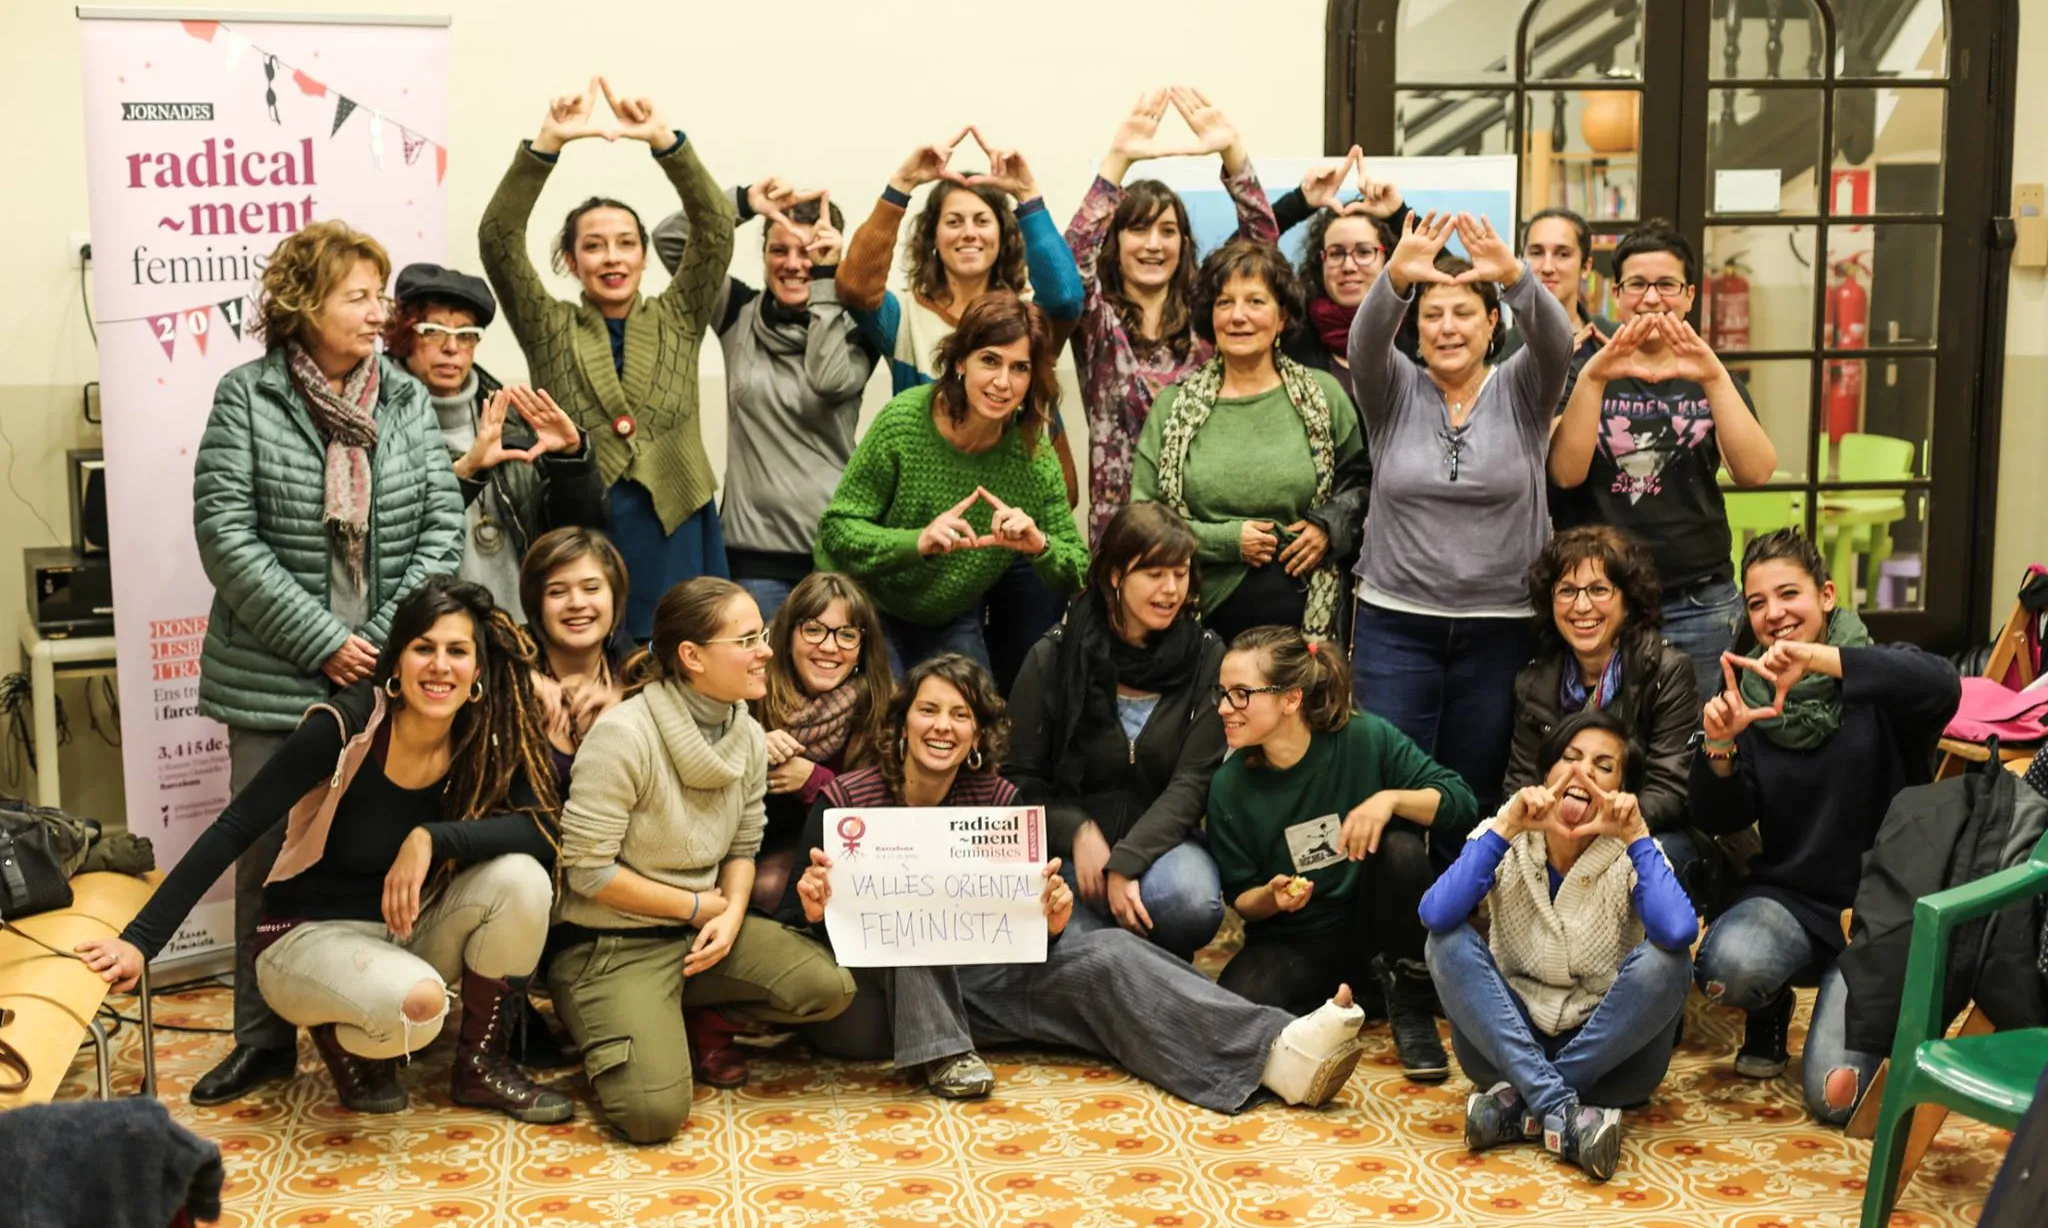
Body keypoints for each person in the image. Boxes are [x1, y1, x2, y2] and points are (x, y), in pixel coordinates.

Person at [779, 653, 1376, 1112]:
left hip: (978, 988)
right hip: (873, 1001)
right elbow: (795, 933)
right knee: (914, 911)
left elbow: (1019, 936)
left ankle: (1280, 1052)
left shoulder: (1000, 802)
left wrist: (1050, 919)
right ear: (902, 722)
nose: (943, 727)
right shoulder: (845, 803)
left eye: (961, 715)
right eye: (928, 710)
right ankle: (944, 1055)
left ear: (978, 736)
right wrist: (814, 909)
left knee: (1108, 954)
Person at [79, 579, 568, 1124]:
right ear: (396, 661)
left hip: (406, 929)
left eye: (457, 651)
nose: (439, 666)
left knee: (523, 880)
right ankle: (341, 1035)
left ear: (477, 671)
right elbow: (235, 827)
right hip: (306, 938)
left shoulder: (485, 731)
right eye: (423, 648)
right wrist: (139, 942)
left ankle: (481, 1066)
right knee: (420, 1006)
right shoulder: (347, 724)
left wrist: (431, 837)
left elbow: (544, 829)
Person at [187, 220, 464, 1107]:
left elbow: (442, 527)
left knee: (366, 852)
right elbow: (226, 535)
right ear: (305, 303)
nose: (381, 313)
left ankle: (365, 1034)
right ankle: (261, 1042)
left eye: (382, 296)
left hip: (385, 675)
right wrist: (323, 642)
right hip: (275, 678)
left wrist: (379, 643)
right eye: (360, 296)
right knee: (264, 857)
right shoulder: (248, 397)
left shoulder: (405, 399)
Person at [547, 577, 856, 1143]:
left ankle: (675, 1014)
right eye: (747, 641)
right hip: (610, 942)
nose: (766, 652)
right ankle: (614, 1015)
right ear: (691, 656)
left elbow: (742, 848)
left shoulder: (746, 731)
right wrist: (694, 907)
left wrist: (731, 913)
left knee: (830, 987)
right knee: (653, 1117)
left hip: (699, 935)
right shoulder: (623, 735)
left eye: (763, 636)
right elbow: (588, 872)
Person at [1688, 530, 1960, 1125]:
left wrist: (1816, 660)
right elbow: (1720, 817)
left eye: (1789, 594)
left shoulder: (1875, 676)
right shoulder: (1751, 692)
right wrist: (1720, 747)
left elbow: (1943, 685)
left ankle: (1873, 1000)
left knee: (1838, 1101)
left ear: (1827, 596)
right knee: (1724, 970)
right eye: (1757, 603)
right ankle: (1771, 1004)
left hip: (1878, 914)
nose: (1773, 613)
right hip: (1793, 897)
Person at [478, 78, 737, 644]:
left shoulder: (680, 315)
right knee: (593, 667)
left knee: (684, 658)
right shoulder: (549, 326)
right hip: (585, 528)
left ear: (645, 255)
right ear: (571, 261)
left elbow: (716, 228)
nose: (612, 257)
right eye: (593, 246)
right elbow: (498, 239)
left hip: (676, 521)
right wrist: (546, 144)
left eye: (625, 243)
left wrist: (665, 142)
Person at [1346, 212, 1573, 833]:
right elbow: (1363, 343)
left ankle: (1467, 898)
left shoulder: (1524, 390)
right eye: (1432, 315)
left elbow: (1557, 342)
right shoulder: (1392, 389)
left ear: (1493, 323)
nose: (1447, 327)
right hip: (1395, 625)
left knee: (1477, 801)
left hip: (1502, 628)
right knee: (1392, 792)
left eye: (1464, 312)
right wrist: (1394, 279)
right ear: (1414, 329)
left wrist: (1517, 277)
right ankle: (1399, 900)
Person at [837, 128, 1085, 691]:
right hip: (939, 536)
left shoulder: (1028, 319)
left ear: (1003, 236)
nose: (968, 232)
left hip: (1016, 530)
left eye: (982, 220)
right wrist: (902, 185)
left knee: (1017, 682)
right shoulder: (905, 317)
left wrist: (1028, 196)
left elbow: (1068, 297)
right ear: (932, 237)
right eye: (953, 220)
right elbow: (853, 287)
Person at [1421, 709, 1698, 1183]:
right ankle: (1562, 1111)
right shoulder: (1506, 834)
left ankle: (1522, 1106)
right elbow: (1435, 914)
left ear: (1621, 790)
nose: (1582, 773)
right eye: (1570, 758)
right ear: (1546, 772)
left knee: (1667, 963)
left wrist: (1636, 835)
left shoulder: (1634, 850)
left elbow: (1677, 933)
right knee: (1444, 943)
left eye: (1603, 766)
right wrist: (1507, 826)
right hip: (1503, 1051)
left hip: (1612, 1066)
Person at [1205, 625, 1476, 1083]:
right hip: (1296, 941)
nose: (1224, 708)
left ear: (1291, 699)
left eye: (1241, 694)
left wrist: (1389, 800)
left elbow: (1461, 803)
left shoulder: (1363, 738)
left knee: (1403, 851)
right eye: (1222, 693)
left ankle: (1408, 1000)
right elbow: (1242, 899)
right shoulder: (1229, 787)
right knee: (1236, 1004)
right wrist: (1271, 897)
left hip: (1374, 929)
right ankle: (1357, 1001)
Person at [1547, 219, 1779, 703]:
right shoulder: (1582, 371)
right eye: (1637, 284)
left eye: (1667, 285)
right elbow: (1565, 473)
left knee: (1692, 739)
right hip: (1597, 600)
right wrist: (1595, 378)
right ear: (1616, 293)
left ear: (1689, 295)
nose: (1652, 298)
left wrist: (1712, 377)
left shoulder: (1712, 373)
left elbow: (1756, 471)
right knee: (1601, 734)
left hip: (1698, 600)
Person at [814, 292, 1087, 675]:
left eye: (1020, 368)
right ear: (961, 362)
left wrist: (1039, 545)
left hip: (948, 617)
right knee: (886, 706)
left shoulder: (1034, 455)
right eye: (990, 360)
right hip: (864, 603)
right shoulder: (904, 421)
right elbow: (837, 531)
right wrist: (918, 542)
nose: (1003, 382)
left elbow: (1077, 566)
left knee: (974, 709)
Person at [1004, 503, 1227, 960]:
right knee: (1083, 951)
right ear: (1115, 576)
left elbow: (1193, 782)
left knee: (1189, 901)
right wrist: (1077, 830)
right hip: (1069, 855)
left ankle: (1145, 965)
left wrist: (1127, 862)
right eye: (1154, 574)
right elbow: (1018, 780)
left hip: (1162, 847)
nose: (1171, 590)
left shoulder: (1206, 657)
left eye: (1181, 573)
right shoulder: (1055, 655)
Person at [651, 186, 880, 621]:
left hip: (831, 555)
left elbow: (828, 379)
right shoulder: (737, 312)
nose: (793, 264)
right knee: (755, 666)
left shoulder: (858, 329)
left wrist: (827, 282)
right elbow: (670, 238)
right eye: (779, 250)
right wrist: (741, 202)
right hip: (751, 556)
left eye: (808, 251)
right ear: (763, 256)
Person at [1065, 87, 1278, 543]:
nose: (1153, 244)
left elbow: (1260, 248)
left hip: (1206, 533)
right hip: (1122, 539)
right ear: (1115, 241)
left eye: (1167, 231)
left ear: (1183, 243)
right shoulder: (1099, 324)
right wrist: (1118, 160)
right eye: (1138, 229)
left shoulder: (1208, 321)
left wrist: (1233, 153)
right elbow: (1070, 262)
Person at [1133, 239, 1367, 644]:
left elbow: (1362, 488)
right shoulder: (1173, 406)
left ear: (1282, 317)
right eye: (1224, 303)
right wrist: (1225, 541)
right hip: (1194, 625)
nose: (1238, 316)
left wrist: (1328, 530)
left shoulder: (1324, 396)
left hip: (1306, 631)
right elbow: (1143, 516)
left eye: (1255, 301)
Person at [386, 263, 602, 624]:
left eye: (466, 334)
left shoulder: (513, 418)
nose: (451, 348)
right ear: (404, 334)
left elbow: (579, 535)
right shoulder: (373, 419)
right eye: (433, 331)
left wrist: (572, 461)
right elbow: (389, 538)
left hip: (520, 629)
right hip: (431, 633)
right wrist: (466, 472)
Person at [1504, 526, 1702, 883]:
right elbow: (1520, 783)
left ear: (1628, 602)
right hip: (1557, 831)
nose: (1582, 606)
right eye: (1567, 591)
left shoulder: (1667, 670)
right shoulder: (1533, 682)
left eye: (1598, 590)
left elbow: (1669, 792)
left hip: (1641, 829)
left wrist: (1598, 828)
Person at [751, 571, 893, 913]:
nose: (829, 647)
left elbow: (882, 821)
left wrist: (814, 781)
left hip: (847, 862)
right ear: (787, 637)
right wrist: (749, 746)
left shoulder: (883, 709)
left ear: (862, 649)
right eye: (813, 630)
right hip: (753, 847)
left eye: (847, 635)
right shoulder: (750, 695)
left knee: (775, 887)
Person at [1276, 147, 1408, 392]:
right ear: (1320, 263)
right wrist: (1299, 203)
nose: (1348, 266)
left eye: (1364, 252)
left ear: (1387, 258)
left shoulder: (1418, 327)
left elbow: (1457, 281)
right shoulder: (1292, 331)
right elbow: (1232, 265)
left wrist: (1398, 214)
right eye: (1336, 253)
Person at [518, 526, 632, 785]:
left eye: (591, 588)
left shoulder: (640, 673)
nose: (577, 603)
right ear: (537, 605)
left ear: (615, 597)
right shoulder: (506, 661)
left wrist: (630, 704)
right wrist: (519, 678)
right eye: (557, 592)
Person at [1497, 208, 1615, 374]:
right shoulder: (1503, 349)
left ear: (1586, 267)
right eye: (1536, 253)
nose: (1547, 267)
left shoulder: (1613, 338)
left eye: (1563, 254)